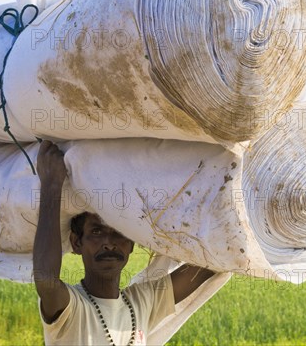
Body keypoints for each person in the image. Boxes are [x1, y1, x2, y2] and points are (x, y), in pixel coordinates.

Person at [34, 140, 215, 345]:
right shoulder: (72, 306)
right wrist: (50, 186)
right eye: (96, 231)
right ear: (76, 243)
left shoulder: (141, 303)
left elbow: (209, 263)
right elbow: (46, 281)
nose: (109, 243)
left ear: (131, 243)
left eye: (119, 232)